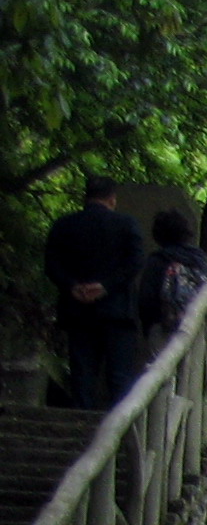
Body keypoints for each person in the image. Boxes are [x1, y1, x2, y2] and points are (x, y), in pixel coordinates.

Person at [42, 176, 141, 410]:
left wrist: (72, 286)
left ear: (85, 197)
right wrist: (106, 286)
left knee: (83, 371)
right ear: (112, 199)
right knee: (119, 375)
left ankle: (80, 422)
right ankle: (120, 427)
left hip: (77, 309)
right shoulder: (127, 225)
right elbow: (135, 262)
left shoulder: (64, 225)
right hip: (116, 309)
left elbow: (52, 264)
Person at [135, 207, 207, 356]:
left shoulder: (158, 261)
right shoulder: (200, 261)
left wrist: (149, 326)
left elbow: (146, 298)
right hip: (196, 328)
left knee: (164, 372)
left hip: (164, 326)